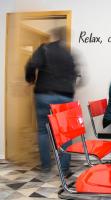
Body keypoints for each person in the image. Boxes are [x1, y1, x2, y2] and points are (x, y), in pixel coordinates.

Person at [25, 26, 81, 175]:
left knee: (43, 131)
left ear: (53, 36)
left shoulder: (44, 49)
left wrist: (30, 79)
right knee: (65, 133)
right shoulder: (70, 54)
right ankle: (64, 169)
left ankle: (45, 167)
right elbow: (79, 76)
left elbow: (31, 65)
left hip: (44, 94)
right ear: (64, 37)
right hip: (65, 96)